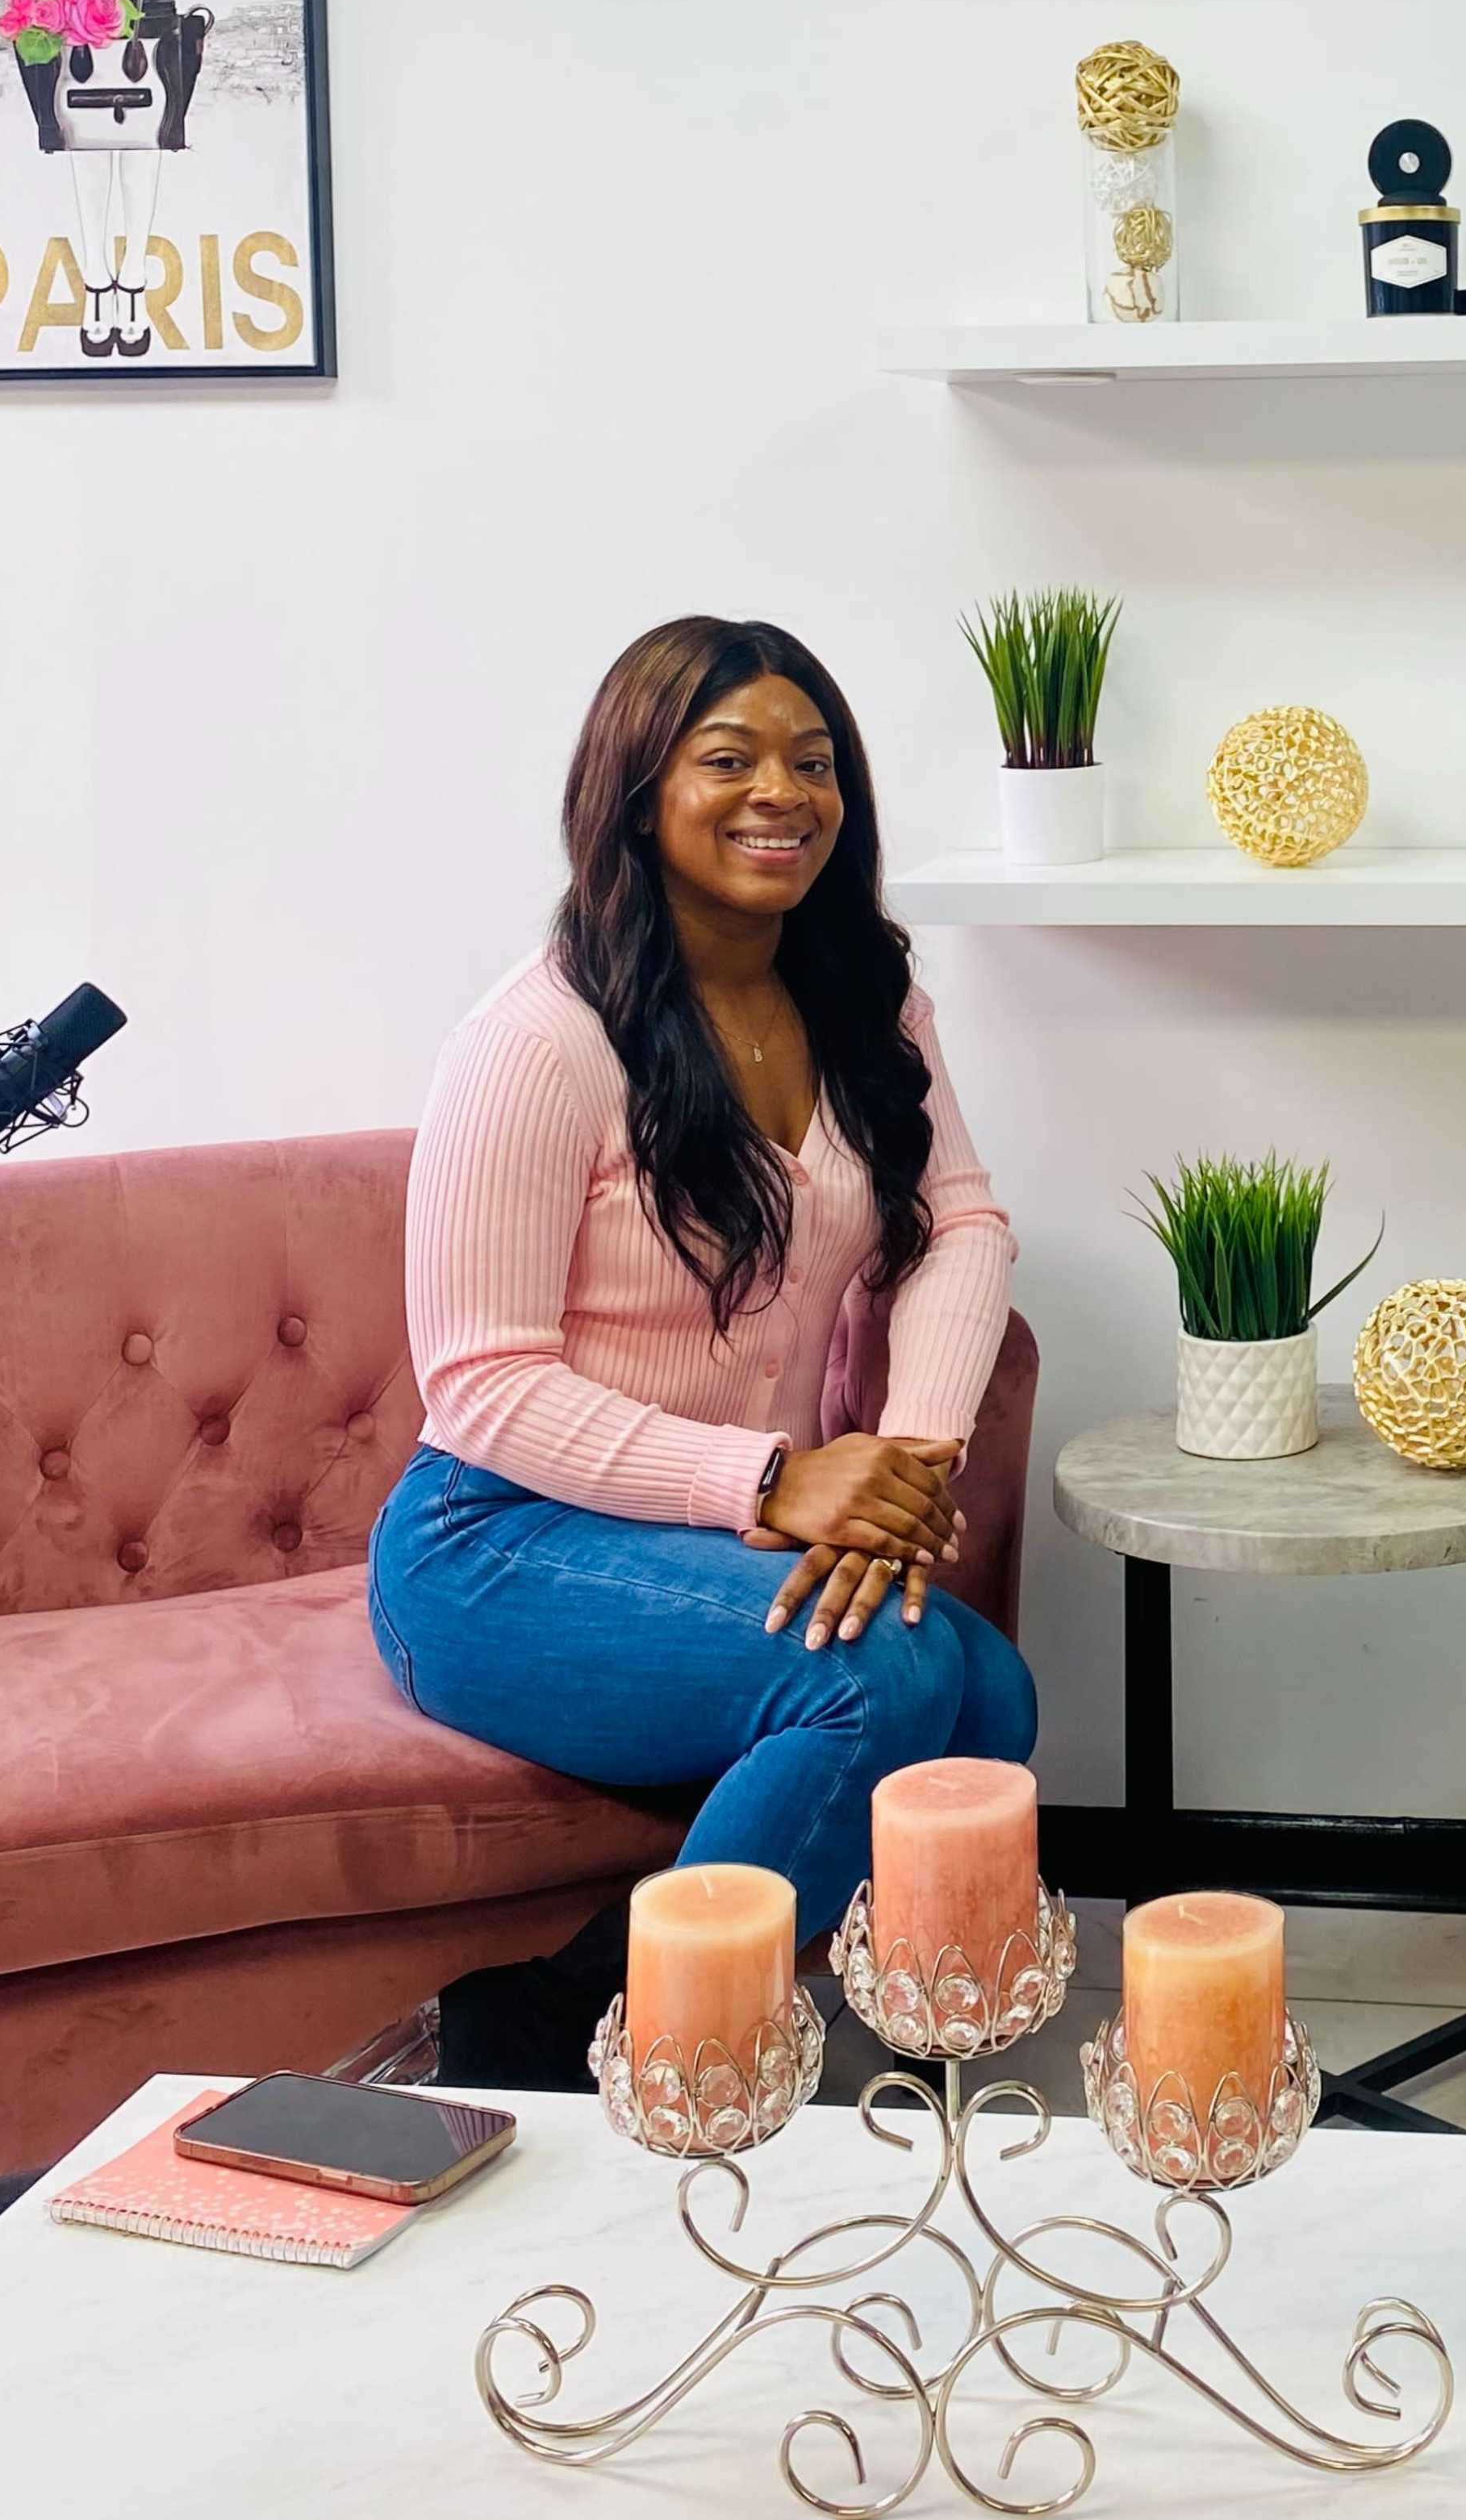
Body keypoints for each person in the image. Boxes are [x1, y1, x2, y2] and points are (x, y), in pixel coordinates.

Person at [366, 615, 1035, 2084]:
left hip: (725, 1524)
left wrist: (908, 1462)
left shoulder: (864, 995)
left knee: (994, 1697)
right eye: (726, 758)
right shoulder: (537, 1039)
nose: (779, 793)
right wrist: (776, 1479)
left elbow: (963, 1225)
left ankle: (589, 2014)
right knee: (885, 1684)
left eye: (814, 761)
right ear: (636, 794)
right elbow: (478, 1383)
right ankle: (665, 2061)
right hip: (497, 1545)